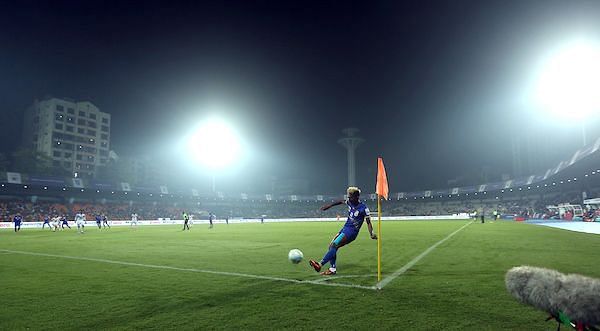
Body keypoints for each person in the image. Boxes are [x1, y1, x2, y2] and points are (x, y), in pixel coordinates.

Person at [309, 187, 377, 276]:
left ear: (356, 197)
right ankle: (332, 269)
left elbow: (368, 222)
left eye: (350, 196)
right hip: (345, 229)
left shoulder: (363, 208)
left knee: (334, 245)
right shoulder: (349, 202)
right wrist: (330, 206)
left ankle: (320, 264)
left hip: (351, 232)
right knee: (332, 247)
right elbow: (340, 201)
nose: (348, 198)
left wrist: (371, 234)